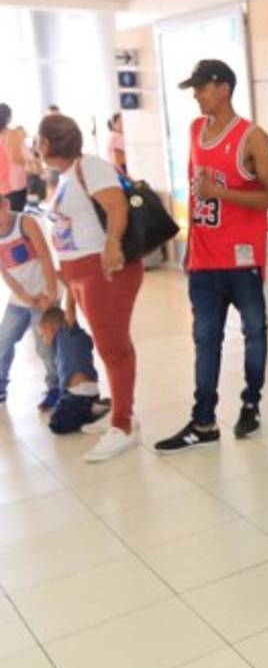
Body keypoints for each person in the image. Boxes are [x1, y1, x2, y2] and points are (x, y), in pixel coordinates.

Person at [154, 60, 268, 453]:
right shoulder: (194, 131)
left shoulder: (252, 137)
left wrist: (221, 193)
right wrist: (190, 247)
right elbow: (195, 193)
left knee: (254, 333)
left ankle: (251, 404)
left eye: (201, 87)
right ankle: (203, 421)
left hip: (242, 260)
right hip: (205, 261)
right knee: (206, 341)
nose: (195, 95)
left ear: (223, 88)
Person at [39, 113, 144, 463]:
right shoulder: (67, 176)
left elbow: (116, 205)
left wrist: (112, 244)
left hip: (104, 271)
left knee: (113, 348)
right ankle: (122, 414)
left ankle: (123, 424)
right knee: (109, 344)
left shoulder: (91, 166)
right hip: (81, 276)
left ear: (47, 143)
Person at [0, 191, 58, 409]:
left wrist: (51, 294)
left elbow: (45, 256)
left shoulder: (25, 222)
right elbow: (4, 271)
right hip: (20, 298)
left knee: (45, 346)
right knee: (3, 341)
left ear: (5, 205)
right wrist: (24, 296)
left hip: (44, 294)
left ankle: (55, 389)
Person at [40, 304, 110, 434]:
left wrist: (71, 289)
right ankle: (94, 408)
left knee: (56, 424)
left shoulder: (66, 335)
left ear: (49, 329)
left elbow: (70, 311)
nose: (43, 340)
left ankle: (97, 413)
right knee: (60, 408)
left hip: (79, 396)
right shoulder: (66, 343)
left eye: (43, 335)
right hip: (85, 394)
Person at [0, 104, 29, 211]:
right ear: (9, 119)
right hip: (18, 184)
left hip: (3, 188)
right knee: (16, 217)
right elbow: (28, 157)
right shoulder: (16, 135)